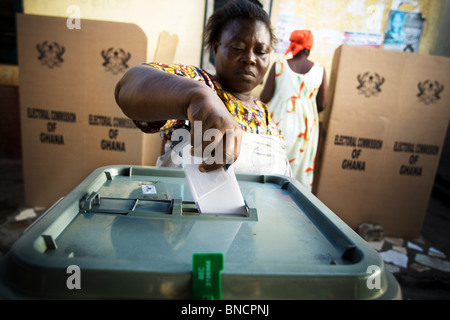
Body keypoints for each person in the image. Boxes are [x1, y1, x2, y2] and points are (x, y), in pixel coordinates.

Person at [115, 0, 291, 177]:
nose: (250, 58)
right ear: (216, 48)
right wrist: (197, 97)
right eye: (237, 47)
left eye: (261, 51)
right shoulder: (200, 82)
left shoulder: (265, 116)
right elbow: (128, 85)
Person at [259, 30, 327, 191]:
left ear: (293, 46)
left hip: (278, 125)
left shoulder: (279, 66)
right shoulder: (319, 70)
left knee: (273, 166)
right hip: (306, 129)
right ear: (308, 49)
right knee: (299, 169)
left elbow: (264, 97)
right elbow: (322, 104)